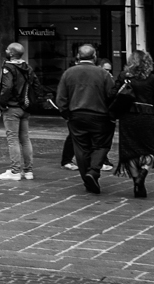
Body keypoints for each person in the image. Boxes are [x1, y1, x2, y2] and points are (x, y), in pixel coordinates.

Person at [56, 43, 117, 194]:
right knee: (101, 145)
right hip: (99, 115)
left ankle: (87, 178)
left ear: (78, 56)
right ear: (94, 56)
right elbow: (112, 95)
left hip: (76, 115)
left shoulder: (68, 73)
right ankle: (94, 171)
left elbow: (61, 98)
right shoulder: (103, 74)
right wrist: (112, 115)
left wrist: (66, 114)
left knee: (81, 148)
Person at [113, 50, 154, 198]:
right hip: (146, 117)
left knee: (130, 151)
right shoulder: (152, 78)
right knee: (149, 149)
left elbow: (114, 92)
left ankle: (136, 182)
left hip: (128, 117)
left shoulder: (123, 76)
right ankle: (143, 172)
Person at [0, 41, 39, 181]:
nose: (6, 50)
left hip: (12, 107)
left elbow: (6, 87)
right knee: (25, 139)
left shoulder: (8, 68)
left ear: (11, 53)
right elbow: (37, 85)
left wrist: (2, 103)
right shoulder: (28, 67)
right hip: (25, 107)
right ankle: (28, 171)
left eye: (8, 49)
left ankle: (15, 171)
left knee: (12, 139)